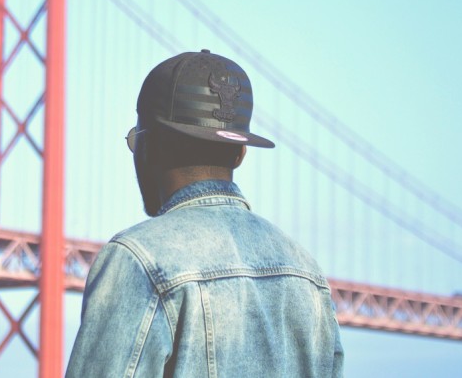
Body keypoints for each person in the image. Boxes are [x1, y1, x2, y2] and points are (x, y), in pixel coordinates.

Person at [66, 49, 344, 377]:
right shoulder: (307, 274)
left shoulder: (137, 260)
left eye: (133, 140)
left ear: (148, 146)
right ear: (240, 153)